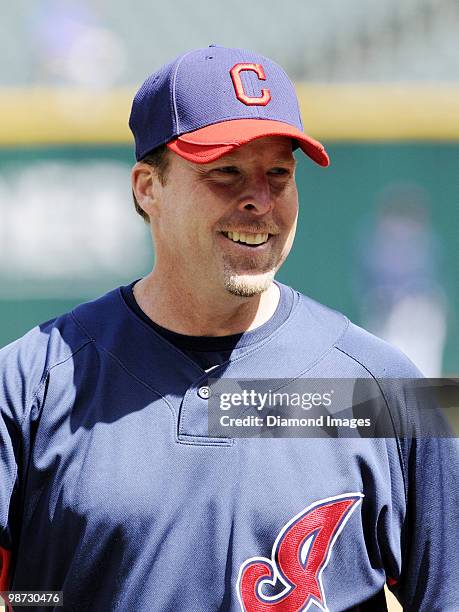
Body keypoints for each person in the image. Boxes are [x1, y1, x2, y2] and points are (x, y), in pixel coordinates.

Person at [0, 45, 458, 612]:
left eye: (279, 174)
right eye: (226, 172)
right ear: (148, 187)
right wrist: (55, 600)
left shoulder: (385, 390)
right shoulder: (30, 383)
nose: (259, 200)